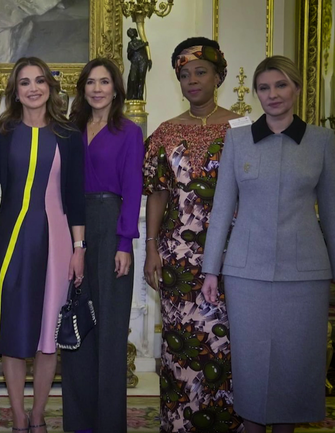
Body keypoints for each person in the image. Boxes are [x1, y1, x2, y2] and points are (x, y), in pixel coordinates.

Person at [201, 55, 335, 433]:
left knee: (296, 362)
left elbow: (333, 213)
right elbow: (222, 207)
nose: (272, 94)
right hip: (246, 272)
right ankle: (251, 426)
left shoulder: (323, 141)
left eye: (280, 85)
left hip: (305, 274)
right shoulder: (238, 138)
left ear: (295, 89)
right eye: (264, 87)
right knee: (252, 361)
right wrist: (211, 269)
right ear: (256, 93)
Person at [0, 56, 86, 433]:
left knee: (47, 334)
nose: (34, 88)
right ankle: (19, 418)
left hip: (57, 243)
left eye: (40, 81)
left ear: (50, 87)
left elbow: (74, 197)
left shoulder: (69, 134)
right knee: (13, 330)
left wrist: (79, 248)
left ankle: (38, 416)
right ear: (16, 91)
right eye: (25, 82)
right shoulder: (0, 133)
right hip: (10, 242)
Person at [142, 37, 244, 432]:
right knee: (181, 344)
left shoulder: (243, 127)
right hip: (178, 259)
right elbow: (158, 193)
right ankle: (180, 423)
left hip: (233, 254)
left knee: (227, 344)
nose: (191, 81)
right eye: (184, 75)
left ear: (218, 74)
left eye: (200, 72)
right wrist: (151, 248)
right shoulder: (166, 133)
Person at [62, 57, 144, 433]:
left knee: (110, 331)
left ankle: (110, 425)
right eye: (91, 82)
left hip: (112, 228)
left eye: (104, 82)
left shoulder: (129, 131)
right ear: (83, 89)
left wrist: (124, 242)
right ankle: (79, 424)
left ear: (116, 89)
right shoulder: (69, 130)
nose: (97, 89)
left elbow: (132, 189)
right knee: (78, 325)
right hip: (72, 230)